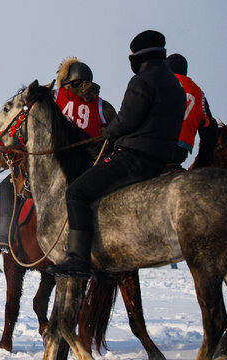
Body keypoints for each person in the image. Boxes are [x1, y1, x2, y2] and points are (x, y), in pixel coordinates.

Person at [47, 30, 186, 279]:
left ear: (138, 57)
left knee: (77, 192)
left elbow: (127, 121)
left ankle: (78, 259)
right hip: (162, 158)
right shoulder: (174, 83)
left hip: (135, 157)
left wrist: (108, 132)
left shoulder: (142, 81)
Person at [0, 58, 116, 252]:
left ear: (66, 80)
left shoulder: (53, 97)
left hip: (54, 167)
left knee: (8, 186)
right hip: (89, 168)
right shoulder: (104, 106)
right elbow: (113, 137)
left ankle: (4, 235)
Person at [165, 53, 217, 168]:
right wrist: (200, 165)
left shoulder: (161, 82)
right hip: (179, 153)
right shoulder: (199, 94)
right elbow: (210, 133)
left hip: (154, 147)